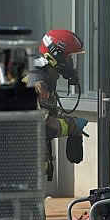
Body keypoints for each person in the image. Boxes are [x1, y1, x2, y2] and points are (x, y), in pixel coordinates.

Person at [27, 28, 89, 182]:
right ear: (56, 55)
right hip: (22, 168)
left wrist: (67, 120)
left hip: (27, 169)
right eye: (69, 58)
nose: (71, 64)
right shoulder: (38, 81)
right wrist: (73, 125)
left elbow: (47, 111)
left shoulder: (46, 79)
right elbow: (45, 126)